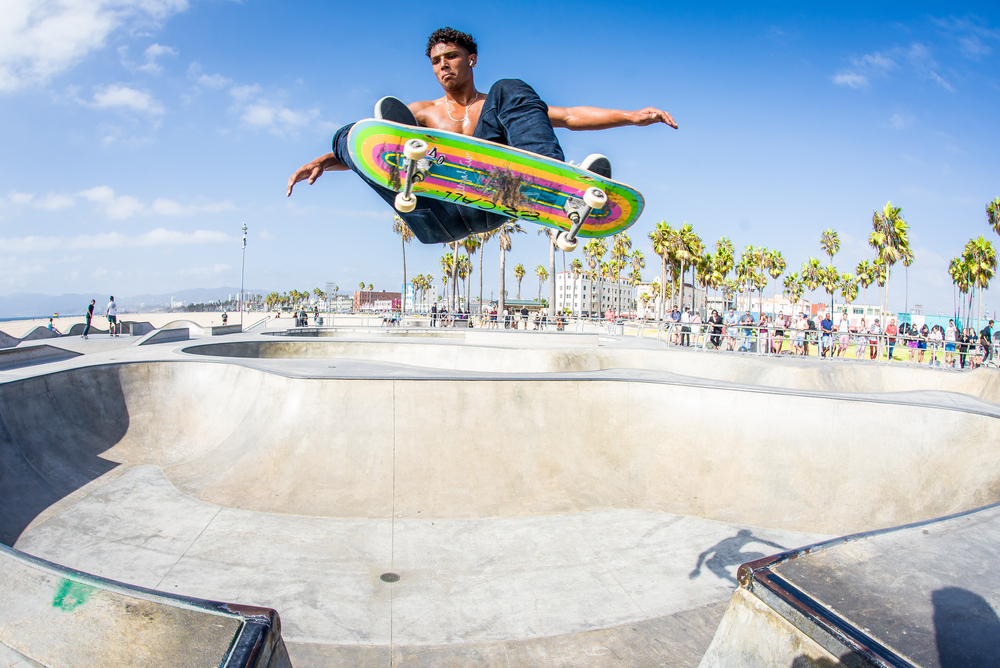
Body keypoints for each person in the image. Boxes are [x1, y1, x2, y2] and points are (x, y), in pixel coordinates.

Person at [286, 27, 677, 245]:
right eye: (436, 62)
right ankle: (351, 146)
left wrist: (630, 116)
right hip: (432, 215)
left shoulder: (500, 104)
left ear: (470, 58)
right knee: (353, 131)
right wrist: (327, 158)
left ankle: (556, 184)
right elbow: (377, 149)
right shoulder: (422, 113)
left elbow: (571, 116)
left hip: (493, 203)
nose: (444, 66)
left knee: (511, 88)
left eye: (451, 57)